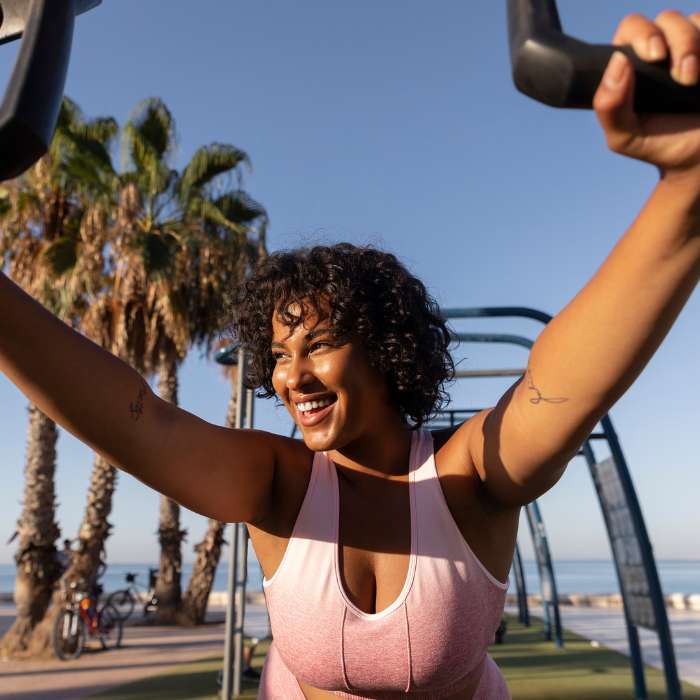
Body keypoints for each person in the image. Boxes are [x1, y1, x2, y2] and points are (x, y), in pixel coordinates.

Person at [1, 10, 700, 699]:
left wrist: (685, 192)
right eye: (278, 354)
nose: (291, 375)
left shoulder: (470, 475)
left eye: (321, 344)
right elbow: (138, 419)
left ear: (387, 351)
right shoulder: (278, 483)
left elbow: (560, 386)